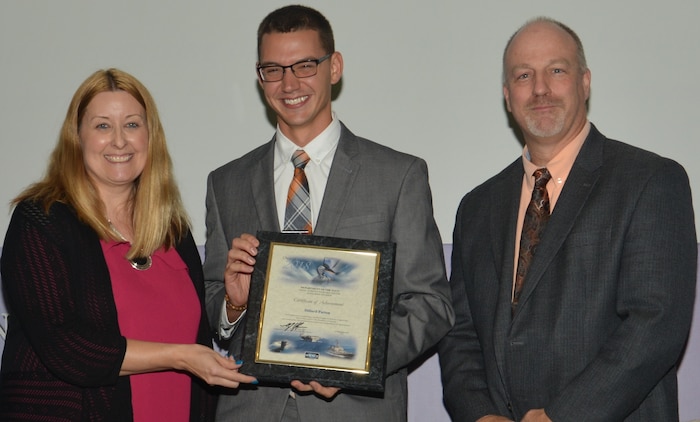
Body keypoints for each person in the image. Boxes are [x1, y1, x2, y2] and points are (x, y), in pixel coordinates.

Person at [438, 17, 697, 422]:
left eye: (556, 71)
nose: (540, 88)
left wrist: (563, 416)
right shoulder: (477, 207)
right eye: (524, 75)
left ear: (585, 82)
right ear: (508, 96)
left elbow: (655, 325)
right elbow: (461, 335)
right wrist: (479, 414)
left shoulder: (651, 181)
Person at [203, 5, 454, 422]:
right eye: (273, 69)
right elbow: (217, 310)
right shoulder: (225, 182)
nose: (289, 83)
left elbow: (430, 304)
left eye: (304, 65)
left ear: (334, 67)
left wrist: (353, 365)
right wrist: (233, 303)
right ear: (259, 75)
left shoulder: (398, 175)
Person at [0, 68, 256, 421]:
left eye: (132, 125)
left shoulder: (173, 232)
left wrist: (232, 304)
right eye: (102, 126)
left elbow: (195, 336)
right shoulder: (41, 220)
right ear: (77, 137)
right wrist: (180, 356)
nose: (119, 141)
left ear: (151, 137)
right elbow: (66, 348)